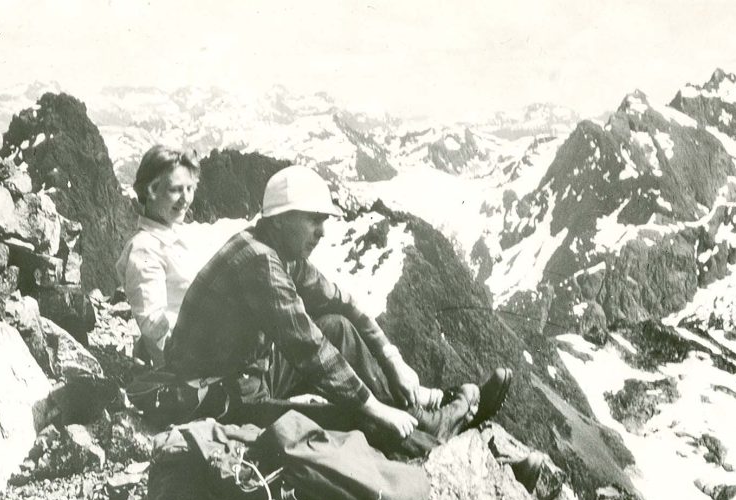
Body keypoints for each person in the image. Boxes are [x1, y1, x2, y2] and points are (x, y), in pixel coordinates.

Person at [161, 164, 512, 451]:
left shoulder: (277, 249)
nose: (322, 231)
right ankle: (432, 438)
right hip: (219, 401)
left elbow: (341, 302)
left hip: (248, 375)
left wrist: (393, 358)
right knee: (355, 417)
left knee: (338, 325)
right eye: (313, 219)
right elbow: (308, 347)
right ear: (281, 219)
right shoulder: (261, 263)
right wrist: (373, 409)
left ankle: (418, 411)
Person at [116, 145, 204, 367]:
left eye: (190, 189)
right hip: (190, 368)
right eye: (176, 190)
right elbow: (155, 327)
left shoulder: (177, 234)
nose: (185, 199)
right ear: (150, 190)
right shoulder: (145, 249)